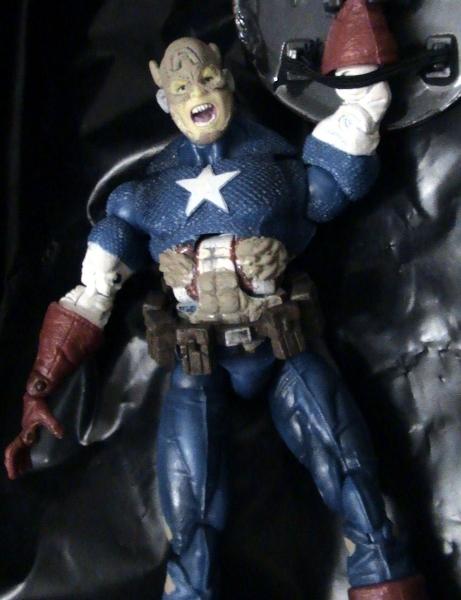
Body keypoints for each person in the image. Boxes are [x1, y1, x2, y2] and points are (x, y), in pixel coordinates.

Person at [4, 1, 428, 598]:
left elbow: (357, 123)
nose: (197, 94)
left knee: (352, 476)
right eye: (182, 88)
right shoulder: (140, 200)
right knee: (190, 512)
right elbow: (91, 294)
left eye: (205, 78)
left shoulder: (279, 172)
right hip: (197, 359)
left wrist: (358, 26)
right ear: (166, 102)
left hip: (281, 345)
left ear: (226, 81)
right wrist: (40, 387)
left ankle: (385, 580)